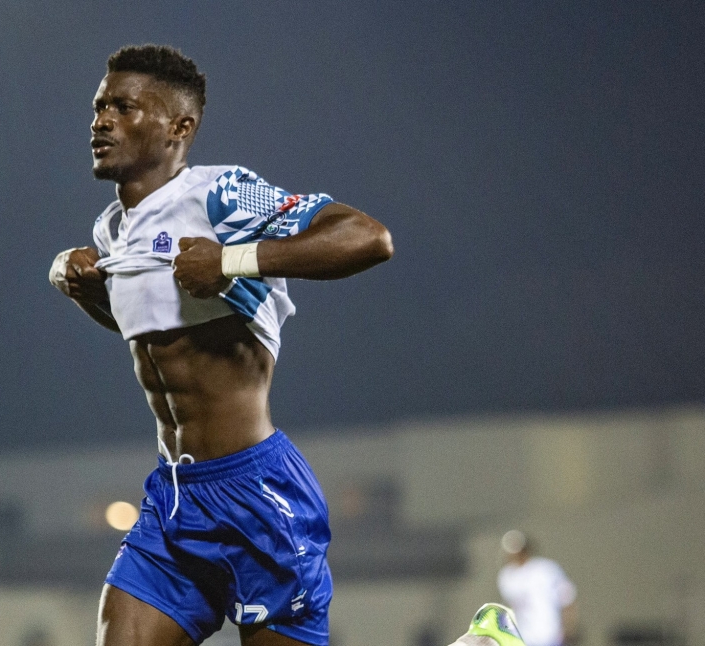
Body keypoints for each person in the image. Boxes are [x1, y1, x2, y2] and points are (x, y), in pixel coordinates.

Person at [50, 44, 518, 646]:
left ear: (179, 126)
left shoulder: (220, 195)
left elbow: (368, 237)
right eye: (98, 106)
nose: (101, 120)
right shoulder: (111, 230)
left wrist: (232, 259)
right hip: (173, 498)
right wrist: (86, 289)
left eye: (123, 106)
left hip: (256, 496)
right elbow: (157, 336)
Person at [497, 530, 578, 646]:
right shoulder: (506, 576)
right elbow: (509, 609)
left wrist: (569, 629)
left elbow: (567, 600)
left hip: (550, 635)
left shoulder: (546, 569)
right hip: (523, 638)